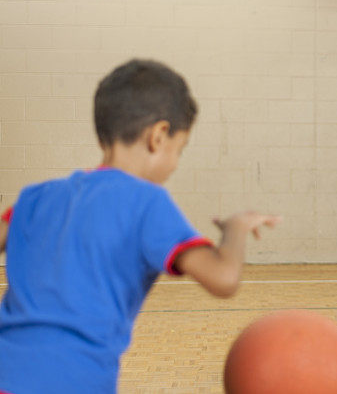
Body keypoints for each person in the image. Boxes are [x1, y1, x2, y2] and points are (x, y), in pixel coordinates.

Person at [0, 59, 279, 394]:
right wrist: (235, 229)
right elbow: (224, 278)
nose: (175, 163)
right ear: (158, 136)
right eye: (180, 149)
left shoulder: (37, 197)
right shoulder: (147, 202)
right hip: (73, 382)